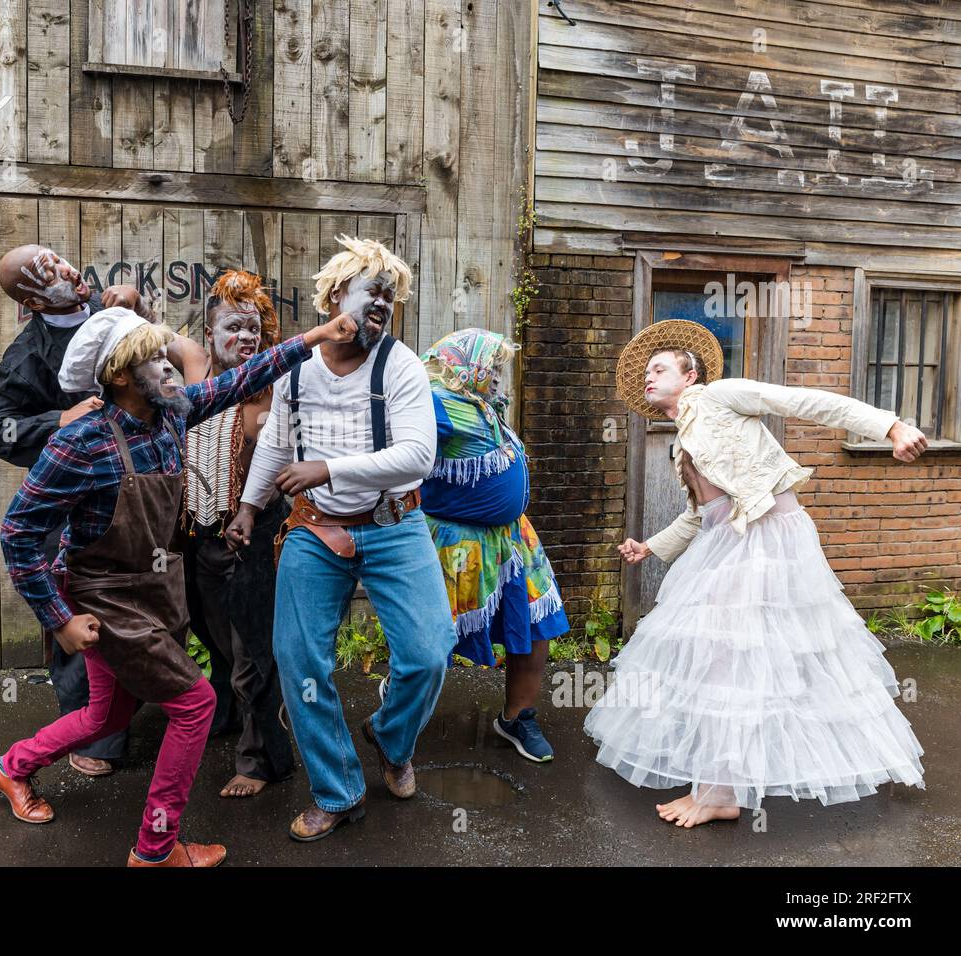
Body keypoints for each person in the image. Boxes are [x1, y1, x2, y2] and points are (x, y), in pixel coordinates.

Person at [0, 306, 358, 866]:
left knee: (106, 716)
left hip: (154, 591)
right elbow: (16, 532)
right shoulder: (80, 442)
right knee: (194, 703)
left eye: (166, 355)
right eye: (151, 359)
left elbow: (241, 379)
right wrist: (57, 617)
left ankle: (10, 767)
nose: (168, 366)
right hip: (105, 601)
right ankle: (157, 850)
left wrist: (317, 336)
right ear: (116, 376)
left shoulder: (171, 415)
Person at [585, 319, 928, 827]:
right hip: (727, 540)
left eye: (660, 369)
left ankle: (719, 792)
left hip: (766, 536)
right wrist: (651, 548)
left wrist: (890, 426)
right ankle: (721, 785)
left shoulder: (723, 395)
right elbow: (705, 513)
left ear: (692, 375)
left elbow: (808, 401)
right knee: (719, 654)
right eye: (646, 375)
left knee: (730, 656)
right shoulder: (683, 442)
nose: (649, 378)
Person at [225, 235, 456, 842]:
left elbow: (418, 456)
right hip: (313, 528)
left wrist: (330, 468)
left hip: (392, 524)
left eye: (390, 297)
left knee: (430, 650)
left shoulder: (400, 365)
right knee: (300, 659)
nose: (382, 304)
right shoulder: (296, 365)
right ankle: (337, 790)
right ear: (333, 295)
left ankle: (390, 737)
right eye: (370, 292)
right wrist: (250, 507)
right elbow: (276, 441)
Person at [0, 249, 207, 776]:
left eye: (59, 258)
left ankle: (143, 710)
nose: (66, 269)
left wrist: (141, 308)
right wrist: (59, 418)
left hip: (143, 508)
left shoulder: (110, 306)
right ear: (34, 300)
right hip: (74, 511)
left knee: (156, 611)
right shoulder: (26, 356)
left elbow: (169, 362)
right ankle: (96, 739)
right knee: (86, 637)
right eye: (49, 271)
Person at [414, 328, 569, 762]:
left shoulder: (485, 405)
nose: (498, 375)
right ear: (465, 364)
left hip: (513, 540)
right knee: (435, 637)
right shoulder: (434, 401)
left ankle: (517, 717)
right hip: (458, 543)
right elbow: (398, 448)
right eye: (492, 366)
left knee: (538, 626)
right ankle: (400, 708)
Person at [182, 269, 297, 798]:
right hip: (199, 540)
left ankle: (263, 759)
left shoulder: (271, 393)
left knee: (254, 654)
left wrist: (258, 507)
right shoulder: (193, 373)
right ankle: (226, 716)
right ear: (209, 334)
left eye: (254, 329)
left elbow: (287, 461)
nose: (246, 338)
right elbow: (149, 333)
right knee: (212, 638)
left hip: (254, 540)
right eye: (233, 327)